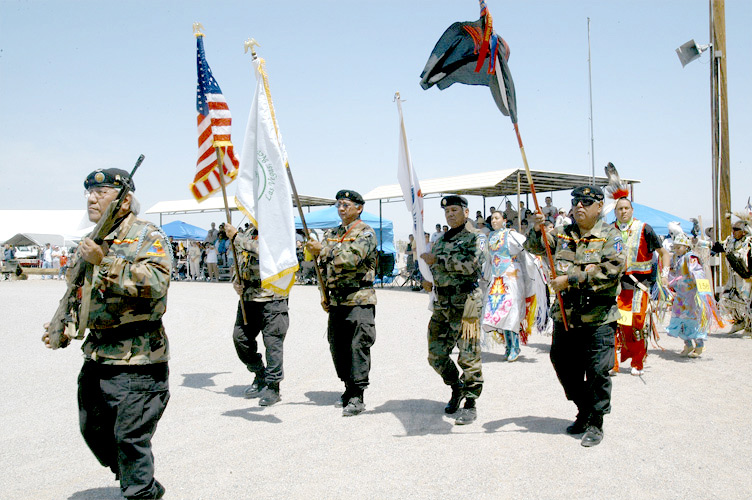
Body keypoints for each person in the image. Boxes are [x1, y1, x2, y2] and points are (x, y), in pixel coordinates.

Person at [42, 168, 171, 499]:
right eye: (89, 192)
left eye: (101, 193)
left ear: (125, 201)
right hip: (98, 357)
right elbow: (79, 292)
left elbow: (157, 285)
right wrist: (64, 326)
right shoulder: (91, 240)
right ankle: (137, 480)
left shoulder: (146, 236)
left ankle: (139, 489)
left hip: (139, 361)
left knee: (130, 440)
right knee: (94, 432)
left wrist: (106, 262)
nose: (92, 198)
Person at [527, 186, 625, 447]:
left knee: (597, 372)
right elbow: (535, 247)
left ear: (599, 206)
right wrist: (537, 229)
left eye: (585, 201)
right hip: (566, 317)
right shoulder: (562, 233)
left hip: (598, 318)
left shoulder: (610, 235)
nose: (579, 206)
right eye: (575, 201)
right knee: (563, 366)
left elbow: (612, 270)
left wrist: (570, 280)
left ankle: (595, 421)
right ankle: (584, 407)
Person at [306, 190, 378, 417]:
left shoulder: (366, 233)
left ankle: (357, 394)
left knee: (358, 346)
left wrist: (324, 249)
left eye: (346, 204)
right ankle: (347, 386)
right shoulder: (333, 233)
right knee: (337, 346)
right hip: (336, 300)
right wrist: (323, 293)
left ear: (359, 208)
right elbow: (323, 268)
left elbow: (351, 258)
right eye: (339, 205)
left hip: (359, 298)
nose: (342, 209)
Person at [420, 195, 484, 426]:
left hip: (466, 305)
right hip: (442, 304)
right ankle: (456, 387)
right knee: (435, 355)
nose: (450, 214)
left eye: (455, 210)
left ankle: (470, 402)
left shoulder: (476, 237)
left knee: (468, 355)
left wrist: (437, 261)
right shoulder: (441, 239)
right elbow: (433, 267)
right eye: (447, 211)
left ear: (466, 212)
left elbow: (472, 265)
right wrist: (427, 281)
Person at [225, 222, 289, 406]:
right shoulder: (248, 233)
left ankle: (273, 386)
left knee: (273, 343)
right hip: (249, 297)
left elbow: (267, 252)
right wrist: (236, 281)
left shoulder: (278, 230)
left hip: (272, 297)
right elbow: (240, 260)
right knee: (240, 338)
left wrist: (237, 237)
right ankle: (259, 373)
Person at [612, 197, 671, 376]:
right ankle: (613, 363)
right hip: (616, 285)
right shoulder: (609, 230)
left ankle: (638, 362)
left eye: (626, 208)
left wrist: (665, 275)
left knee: (637, 323)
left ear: (632, 210)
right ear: (615, 212)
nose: (623, 211)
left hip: (640, 285)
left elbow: (664, 253)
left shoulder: (644, 228)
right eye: (620, 209)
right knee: (615, 324)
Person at [481, 211, 540, 361]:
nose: (494, 221)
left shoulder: (512, 235)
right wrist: (486, 277)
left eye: (497, 218)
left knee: (511, 310)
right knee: (499, 311)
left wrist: (534, 265)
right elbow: (488, 259)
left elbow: (527, 248)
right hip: (496, 279)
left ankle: (515, 346)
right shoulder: (491, 237)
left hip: (511, 277)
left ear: (504, 220)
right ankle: (508, 346)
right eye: (492, 219)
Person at [667, 233, 722, 357]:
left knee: (694, 320)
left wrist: (701, 289)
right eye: (675, 247)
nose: (676, 250)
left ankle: (699, 346)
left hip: (692, 295)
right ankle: (688, 344)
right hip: (681, 295)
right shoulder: (677, 258)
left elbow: (698, 272)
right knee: (680, 319)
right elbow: (674, 273)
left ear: (686, 246)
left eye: (679, 247)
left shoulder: (690, 257)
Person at [712, 219, 752, 337]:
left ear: (744, 232)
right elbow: (718, 246)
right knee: (726, 300)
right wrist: (710, 249)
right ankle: (739, 321)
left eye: (736, 229)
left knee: (747, 303)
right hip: (733, 279)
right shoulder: (729, 242)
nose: (733, 231)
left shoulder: (749, 244)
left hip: (746, 280)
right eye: (732, 229)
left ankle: (749, 328)